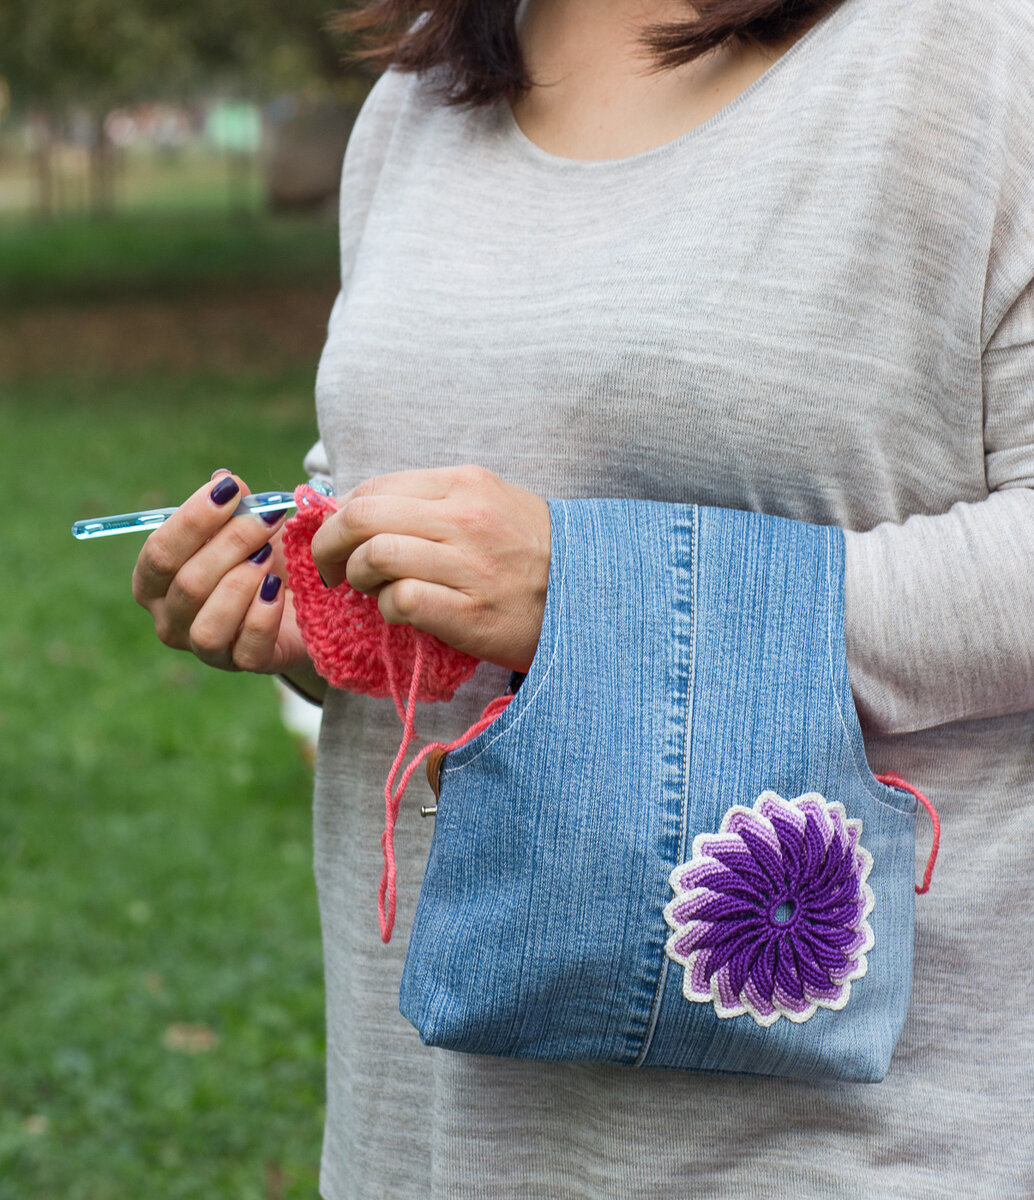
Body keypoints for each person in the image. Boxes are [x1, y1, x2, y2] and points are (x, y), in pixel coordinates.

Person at [132, 0, 1034, 1194]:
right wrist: (325, 605)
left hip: (840, 1139)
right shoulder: (422, 92)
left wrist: (594, 593)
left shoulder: (980, 57)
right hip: (430, 1130)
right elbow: (385, 473)